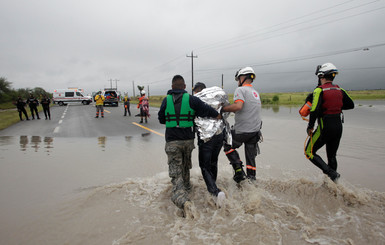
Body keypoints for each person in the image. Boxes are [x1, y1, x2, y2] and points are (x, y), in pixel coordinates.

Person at [158, 75, 221, 217]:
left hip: (173, 142)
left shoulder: (165, 100)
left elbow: (162, 119)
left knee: (176, 174)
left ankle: (183, 201)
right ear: (184, 87)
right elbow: (207, 110)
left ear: (172, 87)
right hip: (188, 142)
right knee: (186, 167)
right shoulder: (192, 100)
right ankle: (186, 188)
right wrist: (218, 116)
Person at [305, 63, 354, 182]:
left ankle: (331, 173)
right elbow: (350, 105)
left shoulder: (318, 91)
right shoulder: (339, 89)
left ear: (322, 76)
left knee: (309, 152)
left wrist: (310, 126)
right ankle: (333, 184)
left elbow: (314, 109)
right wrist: (335, 107)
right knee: (332, 156)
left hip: (325, 127)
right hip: (338, 127)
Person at [222, 67, 262, 183]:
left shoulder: (240, 90)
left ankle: (238, 170)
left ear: (242, 77)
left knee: (227, 144)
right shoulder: (255, 93)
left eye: (238, 79)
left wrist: (223, 109)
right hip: (255, 132)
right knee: (250, 158)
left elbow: (238, 106)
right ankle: (251, 179)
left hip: (242, 131)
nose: (238, 82)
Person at [193, 82, 226, 207]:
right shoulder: (217, 99)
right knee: (213, 162)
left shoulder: (197, 100)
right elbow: (224, 114)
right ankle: (214, 185)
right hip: (219, 135)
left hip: (206, 138)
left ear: (197, 91)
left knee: (205, 166)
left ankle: (215, 193)